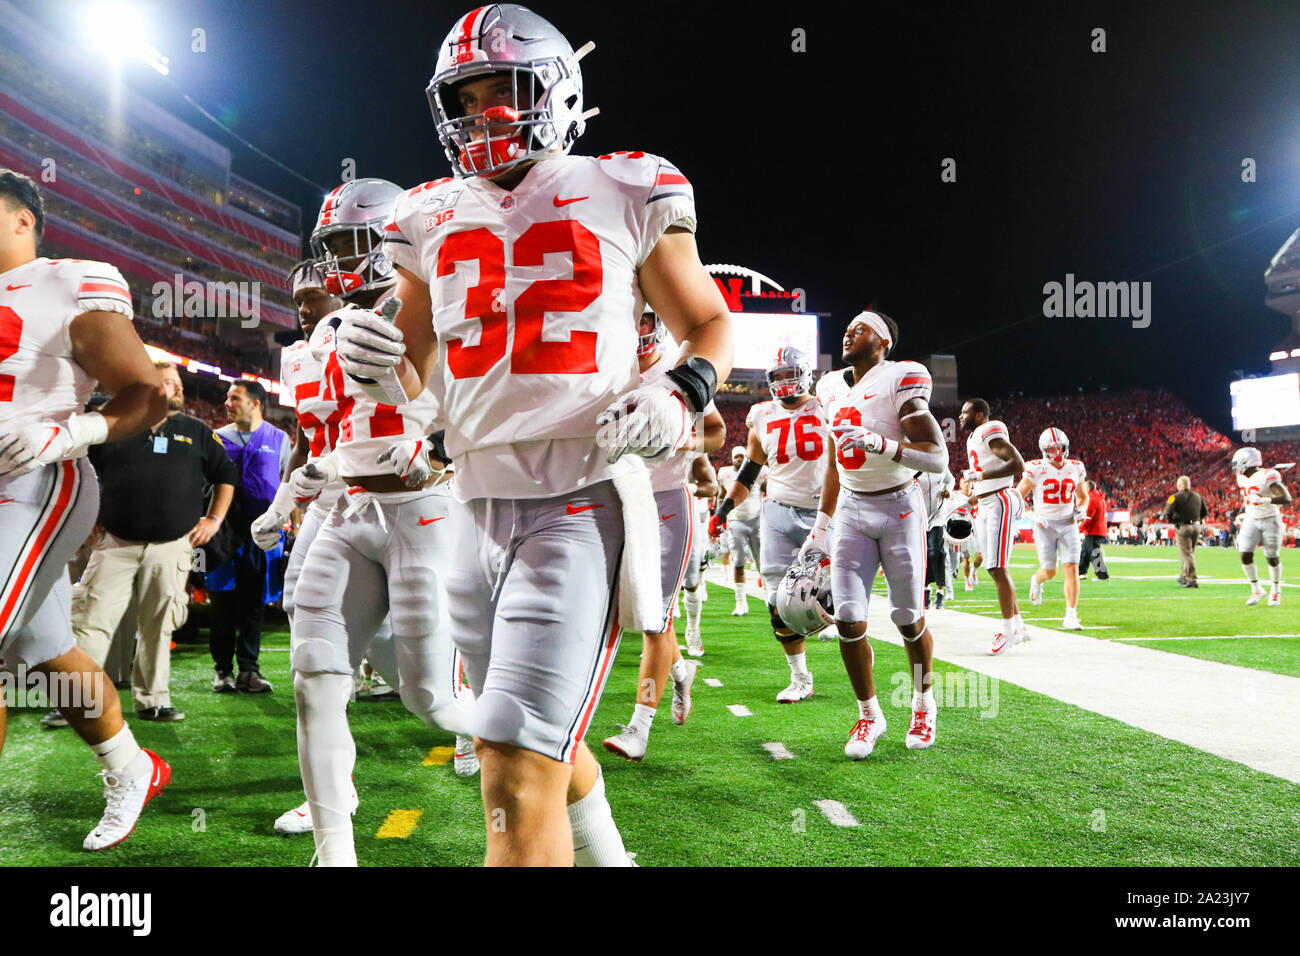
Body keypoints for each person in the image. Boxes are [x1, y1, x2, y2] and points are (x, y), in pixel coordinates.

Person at [334, 3, 733, 865]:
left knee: (512, 764)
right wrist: (376, 369)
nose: (483, 115)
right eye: (465, 99)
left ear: (554, 90)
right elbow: (411, 372)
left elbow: (707, 321)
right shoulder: (425, 213)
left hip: (580, 500)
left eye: (500, 92)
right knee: (526, 735)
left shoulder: (625, 184)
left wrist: (681, 389)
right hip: (470, 506)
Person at [262, 185, 479, 864]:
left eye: (358, 242)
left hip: (426, 511)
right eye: (334, 247)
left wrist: (420, 425)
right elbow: (338, 436)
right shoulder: (328, 330)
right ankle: (335, 852)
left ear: (391, 239)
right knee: (315, 678)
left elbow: (464, 410)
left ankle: (526, 741)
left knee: (431, 703)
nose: (343, 260)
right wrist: (291, 496)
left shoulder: (438, 302)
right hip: (350, 509)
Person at [0, 167, 171, 850]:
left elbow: (146, 392)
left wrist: (70, 432)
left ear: (22, 219)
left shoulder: (68, 280)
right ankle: (132, 766)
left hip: (35, 480)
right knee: (44, 648)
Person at [801, 310, 948, 756]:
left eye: (859, 329)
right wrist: (819, 527)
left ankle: (923, 703)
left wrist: (883, 445)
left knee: (907, 616)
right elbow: (833, 463)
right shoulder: (827, 386)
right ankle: (869, 715)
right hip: (850, 507)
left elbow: (937, 457)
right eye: (847, 328)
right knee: (848, 618)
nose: (848, 332)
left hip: (900, 506)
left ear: (882, 342)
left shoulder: (899, 378)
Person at [65, 361, 236, 722]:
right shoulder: (114, 426)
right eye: (166, 383)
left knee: (159, 626)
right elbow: (79, 471)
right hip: (114, 541)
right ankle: (74, 703)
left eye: (176, 383)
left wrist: (214, 519)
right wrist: (87, 518)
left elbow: (225, 476)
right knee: (91, 619)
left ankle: (153, 700)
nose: (175, 389)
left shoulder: (197, 431)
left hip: (171, 545)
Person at [602, 309, 724, 761]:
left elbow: (715, 431)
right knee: (620, 612)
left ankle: (639, 728)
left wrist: (678, 438)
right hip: (613, 500)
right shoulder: (604, 365)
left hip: (665, 502)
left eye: (642, 319)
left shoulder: (676, 371)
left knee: (657, 618)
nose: (635, 329)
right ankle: (679, 672)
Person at [711, 347, 830, 701]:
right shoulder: (761, 414)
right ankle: (800, 678)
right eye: (776, 376)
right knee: (777, 598)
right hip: (777, 509)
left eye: (789, 373)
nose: (783, 382)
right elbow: (750, 471)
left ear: (806, 373)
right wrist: (723, 509)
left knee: (836, 598)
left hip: (825, 509)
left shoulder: (827, 405)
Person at [209, 380, 290, 692]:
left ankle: (249, 670)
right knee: (222, 602)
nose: (227, 402)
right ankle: (222, 670)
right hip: (223, 532)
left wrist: (289, 523)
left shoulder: (280, 439)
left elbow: (287, 484)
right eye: (228, 397)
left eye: (235, 397)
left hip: (264, 533)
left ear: (255, 404)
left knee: (255, 603)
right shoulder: (216, 438)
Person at [959, 398, 1028, 655]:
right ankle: (1019, 626)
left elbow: (1017, 464)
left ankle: (1007, 630)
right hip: (987, 501)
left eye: (965, 413)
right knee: (993, 567)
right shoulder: (974, 436)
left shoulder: (990, 429)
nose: (960, 417)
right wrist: (972, 493)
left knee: (997, 567)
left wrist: (981, 476)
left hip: (1000, 500)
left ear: (979, 415)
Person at [1018, 427, 1089, 630]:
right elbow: (1017, 495)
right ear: (1044, 450)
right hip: (1044, 526)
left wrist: (1081, 510)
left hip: (1068, 524)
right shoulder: (1036, 468)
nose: (1056, 452)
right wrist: (1031, 515)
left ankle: (1071, 615)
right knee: (1050, 571)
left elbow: (1083, 496)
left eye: (1059, 448)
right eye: (1051, 449)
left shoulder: (1076, 467)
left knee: (1072, 567)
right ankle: (1037, 580)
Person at [1231, 447, 1291, 606]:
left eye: (1237, 462)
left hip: (1270, 518)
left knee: (1272, 558)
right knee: (1244, 554)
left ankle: (1276, 589)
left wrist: (1265, 500)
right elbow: (1249, 497)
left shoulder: (1267, 475)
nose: (1235, 466)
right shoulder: (1241, 478)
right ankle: (1257, 589)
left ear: (1247, 461)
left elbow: (1286, 498)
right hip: (1251, 518)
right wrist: (1244, 512)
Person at [714, 445, 763, 614]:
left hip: (757, 521)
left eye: (742, 456)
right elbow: (721, 496)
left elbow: (768, 492)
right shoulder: (725, 473)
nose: (739, 460)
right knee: (739, 561)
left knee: (762, 562)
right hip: (735, 521)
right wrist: (719, 515)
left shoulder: (759, 471)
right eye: (736, 457)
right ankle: (741, 602)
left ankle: (768, 596)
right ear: (732, 458)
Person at [681, 454, 718, 655]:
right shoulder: (639, 441)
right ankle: (657, 633)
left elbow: (712, 487)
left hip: (687, 513)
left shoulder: (690, 445)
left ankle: (693, 629)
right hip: (650, 513)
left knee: (691, 578)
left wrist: (689, 488)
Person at [917, 466, 956, 610]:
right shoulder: (913, 468)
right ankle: (925, 590)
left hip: (938, 515)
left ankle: (940, 592)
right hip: (919, 515)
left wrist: (949, 490)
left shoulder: (940, 465)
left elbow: (951, 480)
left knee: (937, 552)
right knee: (924, 554)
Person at [1165, 474, 1208, 588]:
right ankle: (1183, 575)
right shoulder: (1198, 496)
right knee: (1189, 552)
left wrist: (1173, 520)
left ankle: (1191, 579)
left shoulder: (1175, 497)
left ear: (1179, 485)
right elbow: (1204, 512)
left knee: (1186, 554)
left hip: (1183, 527)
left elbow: (1168, 512)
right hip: (1196, 526)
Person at [1078, 479, 1110, 580]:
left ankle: (1102, 575)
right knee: (1085, 551)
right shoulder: (1100, 498)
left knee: (1094, 553)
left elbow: (1088, 516)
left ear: (1088, 488)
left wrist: (1080, 527)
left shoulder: (1091, 499)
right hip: (1098, 529)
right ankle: (1081, 572)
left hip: (1093, 530)